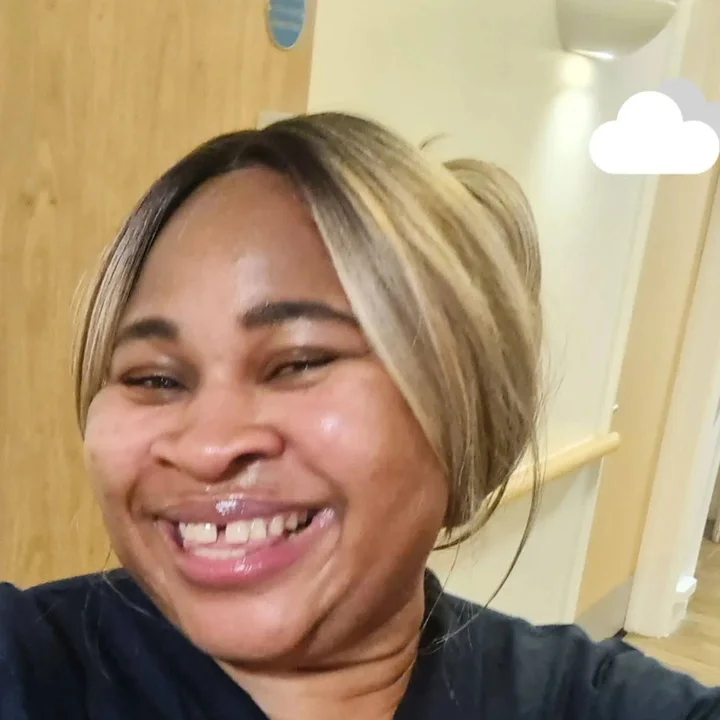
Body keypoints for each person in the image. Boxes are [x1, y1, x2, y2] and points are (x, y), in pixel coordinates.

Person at [0, 112, 717, 720]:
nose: (209, 446)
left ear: (463, 409)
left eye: (299, 362)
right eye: (153, 378)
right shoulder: (30, 668)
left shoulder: (586, 701)